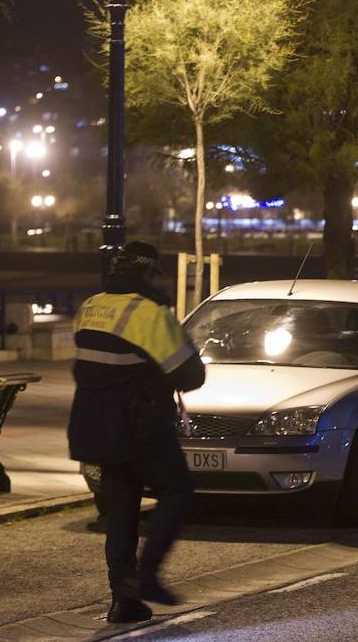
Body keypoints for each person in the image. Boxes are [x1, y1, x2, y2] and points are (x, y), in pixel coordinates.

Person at [68, 241, 205, 624]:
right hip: (139, 426)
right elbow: (191, 376)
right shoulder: (148, 313)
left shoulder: (90, 306)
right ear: (147, 274)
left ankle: (123, 601)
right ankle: (146, 577)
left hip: (93, 426)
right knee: (178, 489)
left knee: (122, 512)